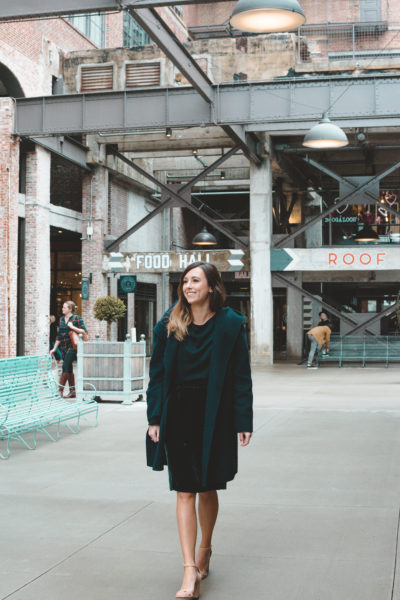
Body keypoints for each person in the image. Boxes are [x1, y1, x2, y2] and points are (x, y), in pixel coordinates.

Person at [146, 262, 253, 599]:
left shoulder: (231, 325)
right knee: (184, 490)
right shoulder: (170, 321)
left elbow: (240, 377)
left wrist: (243, 421)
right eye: (185, 281)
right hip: (178, 414)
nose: (188, 286)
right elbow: (158, 374)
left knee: (207, 488)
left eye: (195, 280)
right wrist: (154, 418)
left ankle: (205, 547)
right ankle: (189, 569)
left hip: (215, 417)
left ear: (211, 287)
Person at [50, 301, 87, 398]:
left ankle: (60, 391)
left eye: (64, 307)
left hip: (73, 347)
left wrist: (72, 327)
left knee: (65, 366)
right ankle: (73, 391)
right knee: (69, 368)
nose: (62, 309)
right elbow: (59, 336)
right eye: (62, 307)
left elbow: (84, 331)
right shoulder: (61, 319)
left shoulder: (77, 318)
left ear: (70, 309)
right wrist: (54, 348)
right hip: (63, 347)